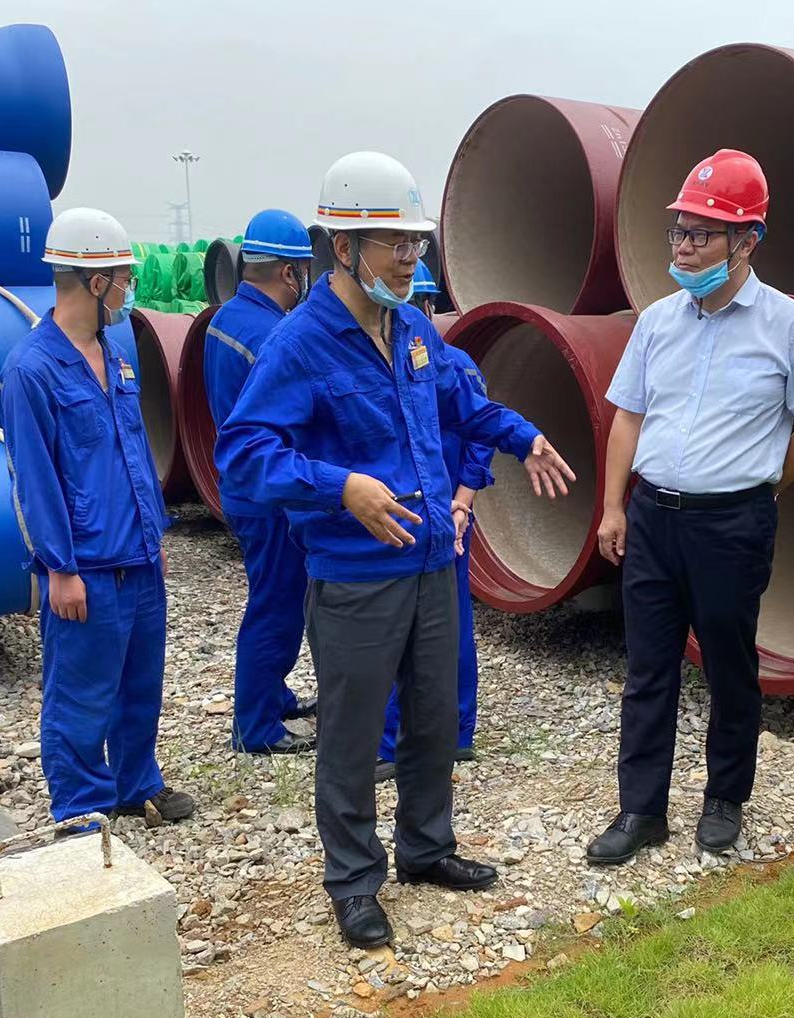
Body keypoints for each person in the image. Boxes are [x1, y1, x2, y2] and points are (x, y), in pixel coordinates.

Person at [215, 152, 576, 949]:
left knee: (433, 716)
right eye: (396, 244)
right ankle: (353, 881)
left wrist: (524, 436)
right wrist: (341, 486)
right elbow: (242, 453)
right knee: (350, 735)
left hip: (432, 562)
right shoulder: (300, 344)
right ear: (343, 248)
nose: (412, 259)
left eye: (417, 243)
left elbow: (463, 403)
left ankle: (426, 847)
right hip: (356, 575)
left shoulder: (411, 325)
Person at [586, 149, 794, 865]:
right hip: (653, 518)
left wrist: (763, 486)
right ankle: (641, 809)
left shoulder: (792, 328)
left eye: (702, 234)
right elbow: (628, 417)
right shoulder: (657, 322)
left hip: (732, 524)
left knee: (728, 664)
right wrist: (613, 508)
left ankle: (726, 798)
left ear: (746, 241)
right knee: (648, 668)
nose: (684, 247)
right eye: (679, 231)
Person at [0, 207, 195, 829]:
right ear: (95, 280)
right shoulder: (31, 370)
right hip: (85, 565)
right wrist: (59, 568)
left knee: (139, 683)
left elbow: (134, 448)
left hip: (138, 555)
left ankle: (137, 782)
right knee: (81, 693)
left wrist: (154, 535)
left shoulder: (117, 351)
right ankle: (81, 807)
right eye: (124, 276)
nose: (129, 287)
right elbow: (34, 480)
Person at [205, 209, 317, 755]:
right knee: (277, 604)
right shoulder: (272, 334)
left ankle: (273, 695)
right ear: (289, 272)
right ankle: (257, 726)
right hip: (269, 495)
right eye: (304, 270)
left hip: (242, 486)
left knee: (270, 595)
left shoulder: (224, 318)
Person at [376, 260, 489, 782]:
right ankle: (447, 733)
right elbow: (481, 437)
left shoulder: (433, 366)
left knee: (408, 628)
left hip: (422, 516)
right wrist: (463, 503)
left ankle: (403, 741)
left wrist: (460, 505)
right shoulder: (454, 364)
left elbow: (479, 436)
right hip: (435, 514)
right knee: (443, 624)